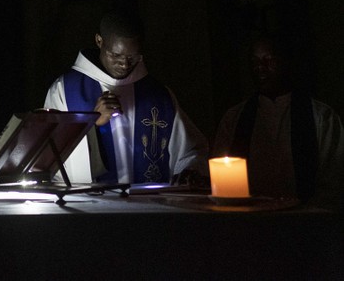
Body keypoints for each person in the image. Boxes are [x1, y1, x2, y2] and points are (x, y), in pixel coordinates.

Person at [43, 11, 208, 185]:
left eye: (132, 57)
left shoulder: (158, 95)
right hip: (89, 200)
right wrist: (93, 124)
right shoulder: (65, 89)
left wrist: (189, 170)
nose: (124, 64)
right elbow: (52, 157)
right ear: (99, 41)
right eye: (115, 55)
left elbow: (190, 151)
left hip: (148, 200)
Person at [213, 35, 344, 208]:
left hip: (305, 216)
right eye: (255, 62)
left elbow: (333, 179)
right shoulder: (235, 118)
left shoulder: (321, 117)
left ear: (286, 62)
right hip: (249, 217)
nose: (261, 68)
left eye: (269, 60)